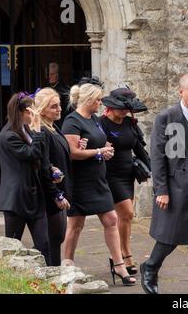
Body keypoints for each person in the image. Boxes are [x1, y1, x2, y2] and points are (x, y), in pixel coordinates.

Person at [140, 73, 188, 294]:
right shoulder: (167, 116)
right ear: (180, 92)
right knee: (170, 235)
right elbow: (158, 155)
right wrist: (161, 190)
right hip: (177, 187)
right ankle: (150, 268)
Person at [61, 78, 136, 286]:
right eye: (98, 100)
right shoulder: (72, 121)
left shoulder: (94, 119)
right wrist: (98, 152)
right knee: (76, 224)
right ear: (88, 100)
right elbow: (73, 153)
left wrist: (106, 149)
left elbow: (97, 142)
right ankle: (67, 263)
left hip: (98, 179)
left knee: (111, 219)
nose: (101, 104)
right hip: (80, 181)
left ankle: (119, 265)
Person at [100, 87, 149, 275]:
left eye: (126, 109)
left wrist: (152, 170)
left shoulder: (130, 123)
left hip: (128, 174)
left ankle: (119, 254)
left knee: (126, 217)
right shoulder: (101, 124)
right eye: (120, 108)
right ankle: (126, 254)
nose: (124, 112)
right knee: (127, 212)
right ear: (111, 107)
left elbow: (139, 149)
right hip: (110, 175)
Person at [0, 92, 50, 264]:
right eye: (31, 111)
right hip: (16, 198)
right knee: (13, 246)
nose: (34, 115)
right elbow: (31, 154)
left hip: (34, 196)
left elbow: (41, 154)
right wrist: (37, 129)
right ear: (20, 112)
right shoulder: (8, 136)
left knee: (44, 243)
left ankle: (46, 280)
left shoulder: (26, 130)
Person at [33, 88, 73, 266]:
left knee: (57, 238)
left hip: (62, 190)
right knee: (52, 240)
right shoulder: (42, 131)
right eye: (53, 106)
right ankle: (53, 276)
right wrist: (56, 194)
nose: (59, 109)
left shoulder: (53, 126)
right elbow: (44, 166)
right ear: (42, 109)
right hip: (51, 195)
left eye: (59, 105)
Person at [46, 62, 70, 128]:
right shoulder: (47, 87)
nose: (49, 77)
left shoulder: (64, 90)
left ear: (58, 76)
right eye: (49, 74)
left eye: (52, 74)